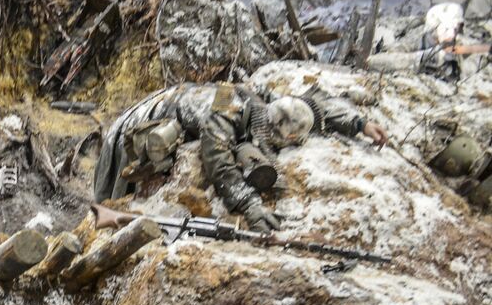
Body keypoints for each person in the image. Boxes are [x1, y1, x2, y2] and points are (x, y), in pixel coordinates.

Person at [93, 83, 389, 233]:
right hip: (142, 119)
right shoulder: (225, 117)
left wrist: (360, 124)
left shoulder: (265, 103)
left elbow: (316, 104)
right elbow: (218, 162)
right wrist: (251, 207)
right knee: (119, 191)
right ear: (283, 138)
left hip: (176, 98)